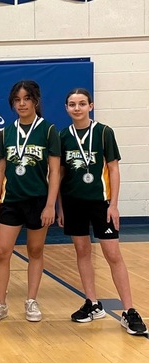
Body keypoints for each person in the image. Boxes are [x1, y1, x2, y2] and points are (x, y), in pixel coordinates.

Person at [58, 88, 147, 335]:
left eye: (82, 103)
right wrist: (60, 207)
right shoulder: (63, 135)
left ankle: (129, 310)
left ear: (91, 105)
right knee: (82, 251)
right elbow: (61, 174)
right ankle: (92, 303)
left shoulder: (104, 132)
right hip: (73, 203)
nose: (77, 108)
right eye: (72, 104)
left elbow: (114, 169)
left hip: (101, 203)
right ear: (66, 108)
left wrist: (114, 204)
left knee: (113, 254)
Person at [0, 80, 60, 324]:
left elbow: (55, 171)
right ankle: (0, 303)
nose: (21, 104)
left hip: (38, 201)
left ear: (35, 101)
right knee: (1, 251)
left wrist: (51, 205)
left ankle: (31, 300)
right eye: (17, 100)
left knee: (35, 250)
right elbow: (0, 170)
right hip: (11, 200)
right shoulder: (7, 132)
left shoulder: (48, 130)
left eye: (26, 99)